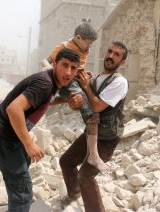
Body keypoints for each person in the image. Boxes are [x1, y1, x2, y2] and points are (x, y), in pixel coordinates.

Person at [0, 48, 80, 212]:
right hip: (3, 137)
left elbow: (43, 100)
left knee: (20, 179)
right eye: (65, 65)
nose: (68, 72)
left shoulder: (50, 83)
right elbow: (14, 110)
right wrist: (29, 143)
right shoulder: (45, 83)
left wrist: (64, 100)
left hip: (8, 135)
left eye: (73, 68)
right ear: (55, 64)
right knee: (23, 193)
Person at [59, 41, 128, 212]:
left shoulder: (120, 82)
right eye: (110, 51)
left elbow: (97, 106)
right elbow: (85, 102)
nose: (111, 56)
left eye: (117, 55)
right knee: (66, 161)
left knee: (86, 176)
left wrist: (85, 86)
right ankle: (74, 194)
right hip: (92, 133)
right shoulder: (97, 78)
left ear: (122, 62)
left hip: (107, 138)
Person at [42, 22, 110, 171]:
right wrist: (49, 72)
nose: (89, 47)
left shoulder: (83, 49)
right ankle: (93, 155)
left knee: (96, 93)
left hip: (76, 80)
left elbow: (79, 69)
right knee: (88, 111)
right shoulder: (64, 47)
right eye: (88, 43)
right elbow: (45, 61)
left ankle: (95, 140)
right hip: (66, 82)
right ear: (78, 38)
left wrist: (84, 75)